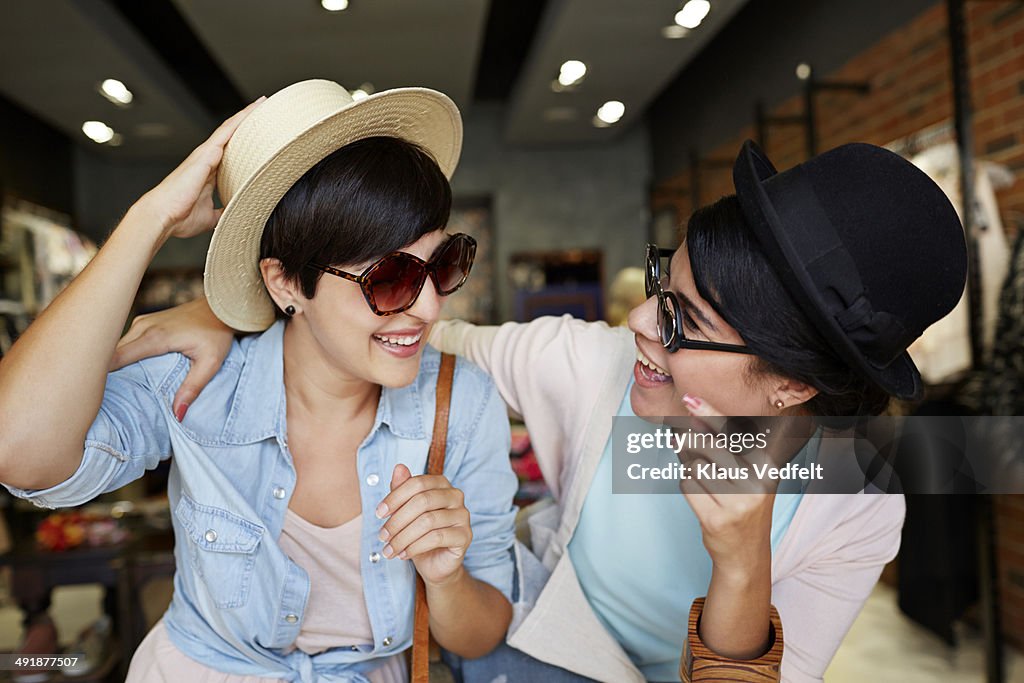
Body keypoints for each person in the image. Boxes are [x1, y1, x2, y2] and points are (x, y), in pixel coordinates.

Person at [106, 140, 967, 682]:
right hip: (534, 657)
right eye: (663, 280)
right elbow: (420, 334)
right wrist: (238, 310)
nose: (635, 320)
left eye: (681, 320)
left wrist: (741, 562)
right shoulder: (591, 367)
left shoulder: (852, 501)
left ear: (790, 385)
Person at [0, 80, 519, 682]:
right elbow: (18, 452)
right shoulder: (201, 378)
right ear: (285, 284)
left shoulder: (464, 404)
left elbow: (481, 637)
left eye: (442, 263)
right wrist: (151, 221)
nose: (429, 308)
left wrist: (446, 574)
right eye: (391, 278)